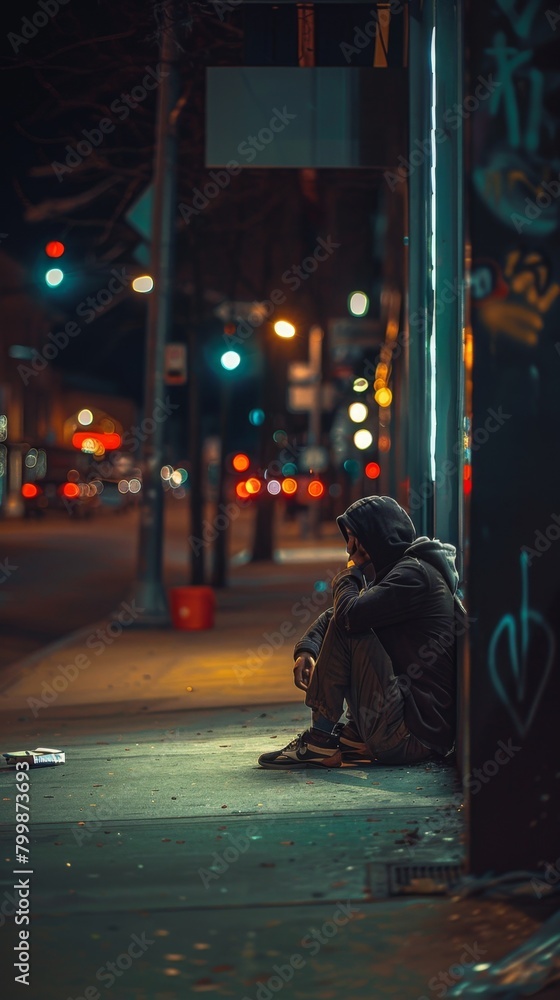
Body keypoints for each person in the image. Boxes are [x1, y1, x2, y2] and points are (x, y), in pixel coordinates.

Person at [257, 495, 466, 770]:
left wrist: (350, 574)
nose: (349, 549)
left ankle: (320, 739)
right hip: (414, 728)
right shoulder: (404, 572)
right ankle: (355, 735)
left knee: (354, 624)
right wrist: (308, 648)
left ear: (377, 537)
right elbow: (336, 615)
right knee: (353, 620)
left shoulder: (413, 576)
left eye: (355, 539)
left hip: (414, 736)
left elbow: (348, 617)